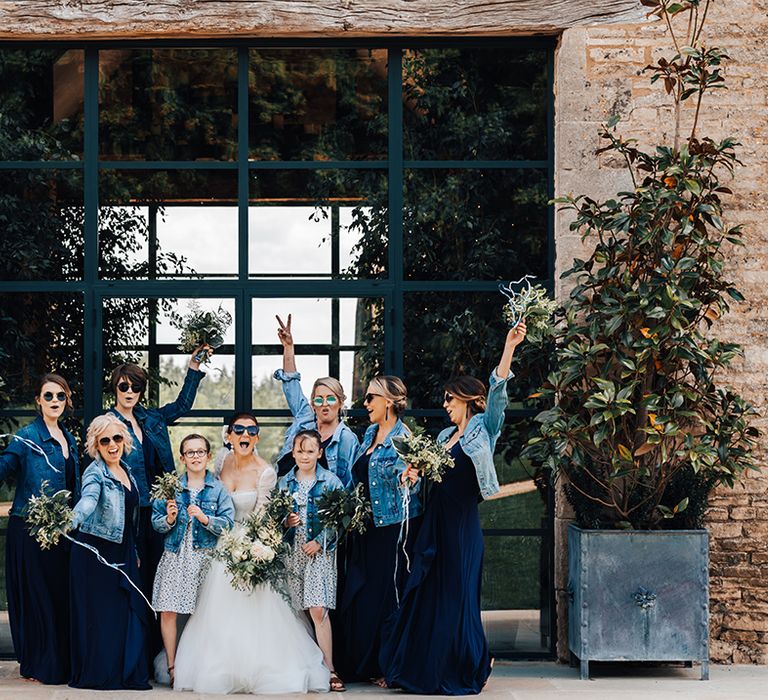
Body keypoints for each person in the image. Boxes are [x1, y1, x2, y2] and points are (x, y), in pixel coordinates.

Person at [379, 322, 527, 694]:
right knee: (428, 594)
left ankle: (470, 664)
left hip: (462, 526)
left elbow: (499, 394)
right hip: (436, 523)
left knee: (457, 597)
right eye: (445, 399)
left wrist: (508, 347)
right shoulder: (444, 437)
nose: (444, 405)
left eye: (449, 399)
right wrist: (413, 472)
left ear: (467, 399)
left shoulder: (484, 428)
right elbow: (426, 470)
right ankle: (423, 666)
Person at [173, 412, 331, 694]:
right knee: (215, 613)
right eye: (239, 430)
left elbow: (264, 519)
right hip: (219, 542)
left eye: (251, 431)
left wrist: (251, 550)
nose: (245, 435)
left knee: (256, 611)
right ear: (229, 436)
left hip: (250, 545)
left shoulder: (265, 472)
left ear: (257, 437)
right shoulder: (220, 462)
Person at [107, 346, 207, 648]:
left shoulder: (151, 418)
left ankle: (157, 650)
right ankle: (136, 648)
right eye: (123, 386)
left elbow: (182, 405)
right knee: (136, 575)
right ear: (115, 388)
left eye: (135, 386)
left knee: (160, 578)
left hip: (163, 508)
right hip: (130, 511)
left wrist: (193, 367)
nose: (129, 391)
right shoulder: (107, 425)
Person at [333, 375, 423, 685]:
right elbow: (355, 479)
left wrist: (409, 478)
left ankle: (390, 666)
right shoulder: (370, 433)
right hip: (365, 529)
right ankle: (366, 664)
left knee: (389, 598)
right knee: (362, 595)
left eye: (372, 398)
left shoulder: (404, 438)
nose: (366, 403)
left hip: (391, 529)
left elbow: (413, 479)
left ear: (390, 402)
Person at [0, 373, 80, 684]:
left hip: (61, 532)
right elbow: (4, 468)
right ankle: (38, 664)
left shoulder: (69, 438)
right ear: (38, 400)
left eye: (60, 396)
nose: (55, 402)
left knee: (58, 595)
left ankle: (56, 661)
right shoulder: (26, 436)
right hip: (31, 530)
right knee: (37, 598)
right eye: (49, 396)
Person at [69, 413, 150, 690]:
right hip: (96, 553)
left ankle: (126, 673)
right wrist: (71, 519)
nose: (112, 444)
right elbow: (88, 501)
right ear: (96, 445)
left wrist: (134, 549)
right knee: (104, 618)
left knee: (127, 613)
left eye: (117, 438)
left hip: (123, 550)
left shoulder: (126, 469)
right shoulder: (95, 472)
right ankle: (104, 674)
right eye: (105, 440)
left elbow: (129, 516)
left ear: (124, 440)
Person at [151, 434, 235, 688]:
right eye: (190, 452)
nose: (195, 456)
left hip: (205, 557)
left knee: (204, 615)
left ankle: (201, 667)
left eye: (200, 452)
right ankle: (173, 667)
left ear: (208, 456)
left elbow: (228, 523)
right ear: (182, 457)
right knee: (168, 610)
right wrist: (169, 519)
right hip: (176, 555)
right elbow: (155, 521)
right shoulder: (171, 487)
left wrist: (205, 519)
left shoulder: (217, 488)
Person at [278, 429, 346, 692]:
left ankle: (330, 669)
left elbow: (339, 518)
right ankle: (307, 666)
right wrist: (286, 521)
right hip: (293, 551)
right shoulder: (285, 483)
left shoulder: (331, 481)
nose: (304, 456)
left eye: (309, 451)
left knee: (318, 608)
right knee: (299, 610)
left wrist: (319, 541)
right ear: (293, 452)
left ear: (319, 452)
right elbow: (275, 520)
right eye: (299, 450)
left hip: (320, 552)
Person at [274, 314, 359, 485]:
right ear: (313, 404)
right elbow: (291, 386)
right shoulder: (305, 419)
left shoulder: (347, 439)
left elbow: (349, 485)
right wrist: (288, 347)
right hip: (288, 496)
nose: (325, 404)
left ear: (341, 402)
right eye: (319, 400)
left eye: (331, 399)